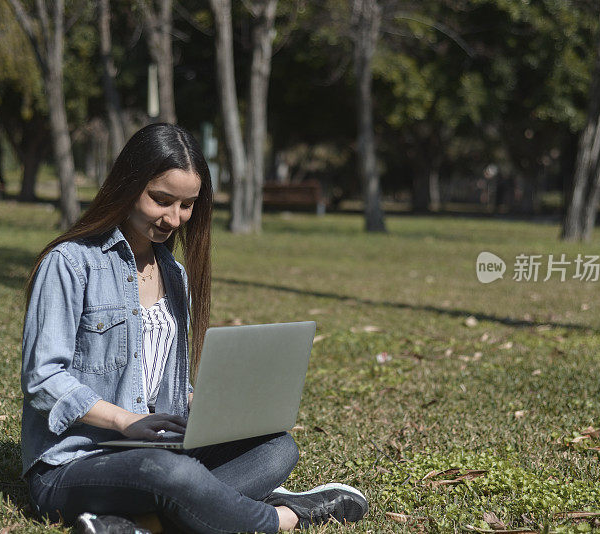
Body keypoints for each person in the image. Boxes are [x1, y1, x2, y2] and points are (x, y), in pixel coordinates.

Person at [21, 123, 368, 534]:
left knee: (278, 449)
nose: (173, 218)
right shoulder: (70, 263)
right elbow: (43, 379)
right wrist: (125, 422)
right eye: (161, 200)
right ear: (129, 186)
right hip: (74, 464)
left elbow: (159, 380)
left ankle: (133, 525)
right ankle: (284, 516)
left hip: (155, 450)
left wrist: (212, 409)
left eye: (186, 206)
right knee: (172, 473)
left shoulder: (175, 274)